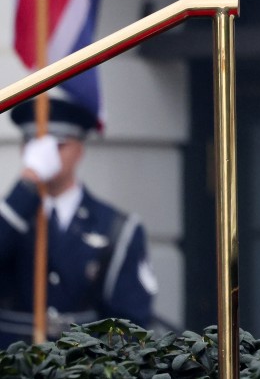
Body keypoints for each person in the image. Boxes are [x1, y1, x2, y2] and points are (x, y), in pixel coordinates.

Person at [0, 91, 156, 346]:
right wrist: (27, 184)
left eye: (58, 145)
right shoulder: (9, 215)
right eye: (34, 144)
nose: (46, 156)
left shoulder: (116, 227)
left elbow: (132, 323)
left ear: (79, 149)